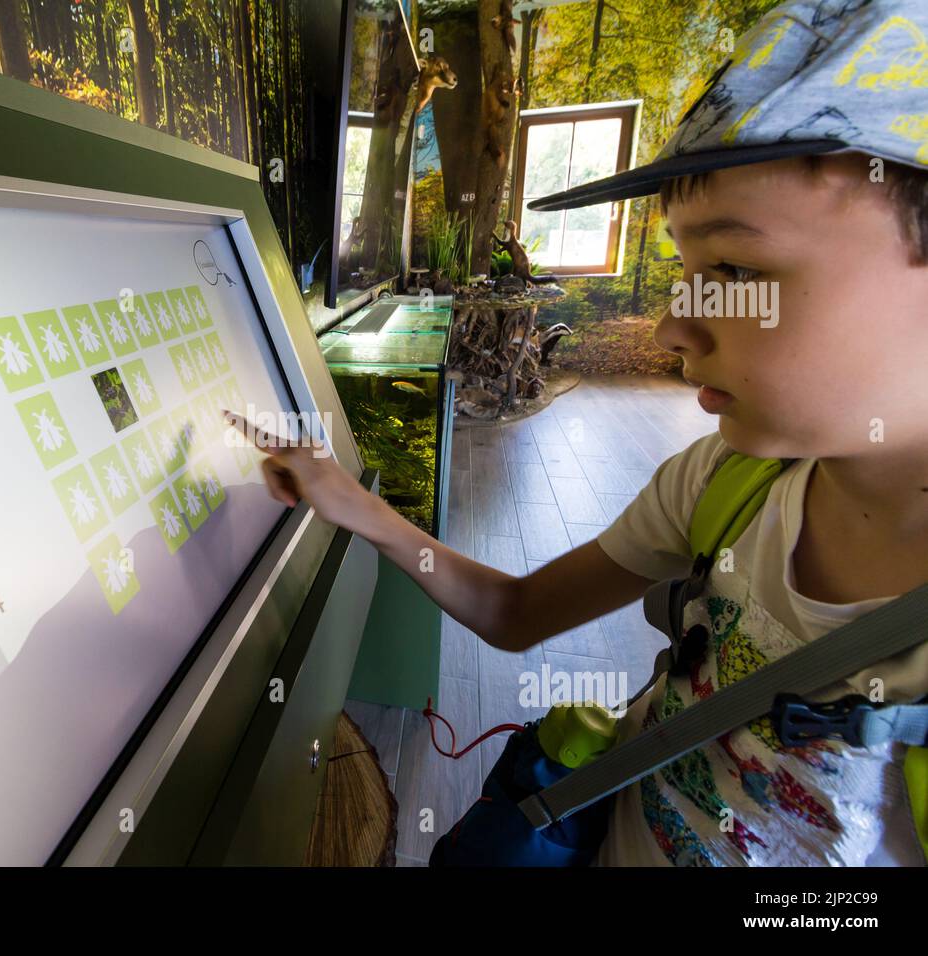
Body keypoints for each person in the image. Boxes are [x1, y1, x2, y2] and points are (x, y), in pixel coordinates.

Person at [228, 0, 928, 865]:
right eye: (689, 270)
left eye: (738, 270)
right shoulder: (721, 485)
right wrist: (357, 505)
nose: (676, 325)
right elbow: (517, 612)